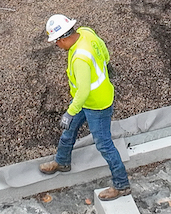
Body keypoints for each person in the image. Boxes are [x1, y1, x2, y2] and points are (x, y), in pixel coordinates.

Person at [37, 15, 130, 199]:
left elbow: (84, 90)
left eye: (56, 42)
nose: (57, 46)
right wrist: (107, 64)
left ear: (63, 38)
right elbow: (103, 49)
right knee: (69, 131)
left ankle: (122, 185)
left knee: (104, 145)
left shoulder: (80, 57)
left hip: (96, 104)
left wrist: (70, 112)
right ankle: (62, 162)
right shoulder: (85, 32)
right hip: (87, 101)